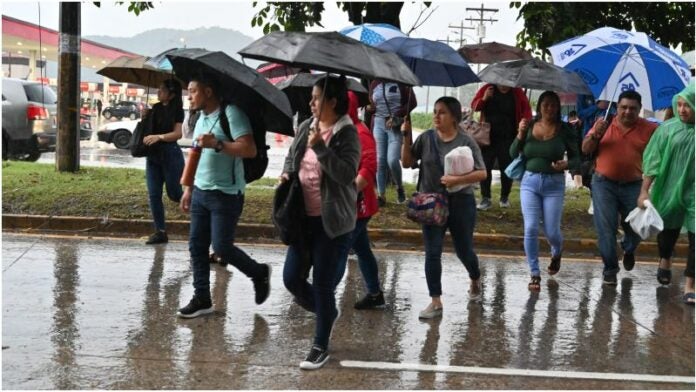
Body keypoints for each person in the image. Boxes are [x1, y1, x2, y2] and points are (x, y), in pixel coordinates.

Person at [280, 76, 360, 370]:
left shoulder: (346, 134)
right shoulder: (306, 127)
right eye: (311, 98)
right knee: (291, 278)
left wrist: (321, 148)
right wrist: (287, 174)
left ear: (332, 102)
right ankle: (327, 312)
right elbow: (292, 157)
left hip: (333, 223)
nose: (311, 103)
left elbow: (345, 174)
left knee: (324, 285)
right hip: (303, 219)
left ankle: (319, 345)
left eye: (316, 98)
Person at [177, 73, 271, 319]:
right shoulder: (200, 119)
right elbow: (195, 154)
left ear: (208, 92)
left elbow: (249, 149)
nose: (189, 96)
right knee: (197, 247)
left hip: (226, 193)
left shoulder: (232, 114)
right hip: (200, 191)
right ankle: (202, 298)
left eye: (193, 90)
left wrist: (218, 144)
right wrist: (188, 189)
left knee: (221, 248)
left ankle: (258, 272)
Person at [401, 96, 487, 319]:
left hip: (461, 203)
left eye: (442, 112)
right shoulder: (427, 138)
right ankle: (435, 301)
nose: (436, 116)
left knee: (464, 250)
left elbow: (482, 172)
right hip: (431, 203)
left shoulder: (466, 142)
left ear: (455, 117)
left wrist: (456, 180)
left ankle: (475, 277)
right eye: (435, 112)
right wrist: (405, 136)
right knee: (432, 252)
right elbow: (407, 162)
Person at [582, 90, 657, 285]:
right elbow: (586, 149)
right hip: (603, 184)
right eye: (623, 107)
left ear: (639, 109)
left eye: (632, 108)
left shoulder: (650, 129)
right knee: (605, 228)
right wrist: (594, 136)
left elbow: (657, 157)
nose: (627, 112)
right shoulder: (604, 123)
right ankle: (610, 268)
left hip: (633, 185)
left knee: (636, 229)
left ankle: (628, 248)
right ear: (617, 107)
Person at [509, 91, 580, 291]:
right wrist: (520, 134)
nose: (549, 109)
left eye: (553, 105)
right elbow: (513, 153)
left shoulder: (564, 129)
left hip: (554, 184)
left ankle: (557, 250)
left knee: (551, 231)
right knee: (530, 227)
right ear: (539, 106)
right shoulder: (529, 126)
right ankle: (534, 273)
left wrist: (566, 164)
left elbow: (577, 158)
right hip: (530, 182)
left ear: (558, 108)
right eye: (545, 104)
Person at [638, 80, 695, 305]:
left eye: (688, 105)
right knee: (667, 232)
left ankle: (691, 283)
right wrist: (644, 190)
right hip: (669, 188)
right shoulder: (668, 130)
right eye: (679, 104)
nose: (682, 109)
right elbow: (652, 160)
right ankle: (665, 258)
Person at [334, 91, 385, 310]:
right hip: (348, 204)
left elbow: (369, 168)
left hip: (358, 206)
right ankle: (375, 294)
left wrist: (349, 192)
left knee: (338, 250)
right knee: (362, 249)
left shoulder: (360, 133)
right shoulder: (340, 130)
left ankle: (320, 295)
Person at [471, 84, 532, 210]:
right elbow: (475, 106)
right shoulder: (488, 88)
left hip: (508, 137)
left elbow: (527, 111)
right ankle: (485, 198)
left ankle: (504, 197)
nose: (503, 85)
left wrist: (525, 122)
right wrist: (484, 98)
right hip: (488, 137)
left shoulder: (517, 91)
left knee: (507, 167)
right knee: (485, 166)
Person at [142, 79, 186, 245]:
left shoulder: (178, 111)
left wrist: (159, 137)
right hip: (153, 156)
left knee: (175, 194)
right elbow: (147, 131)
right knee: (154, 194)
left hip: (170, 154)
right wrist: (145, 118)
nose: (158, 92)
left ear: (172, 94)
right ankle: (160, 231)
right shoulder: (155, 108)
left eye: (162, 90)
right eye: (158, 89)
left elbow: (177, 134)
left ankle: (200, 213)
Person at [367, 79, 416, 206]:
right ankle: (381, 195)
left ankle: (399, 187)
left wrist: (396, 115)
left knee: (392, 159)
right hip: (378, 123)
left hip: (395, 125)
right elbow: (372, 105)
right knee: (379, 160)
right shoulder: (375, 83)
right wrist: (370, 108)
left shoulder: (402, 82)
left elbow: (412, 103)